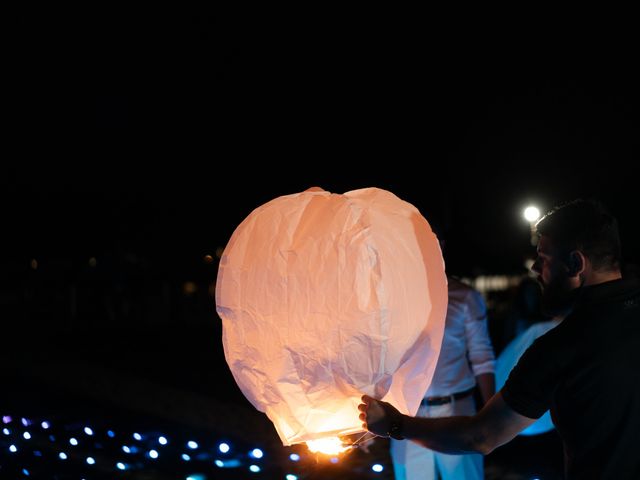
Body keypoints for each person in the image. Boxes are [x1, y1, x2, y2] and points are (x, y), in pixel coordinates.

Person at [359, 199, 640, 479]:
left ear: (575, 263)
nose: (534, 270)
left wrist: (396, 425)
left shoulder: (560, 347)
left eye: (543, 259)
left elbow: (481, 436)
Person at [390, 275, 495, 480]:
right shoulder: (397, 297)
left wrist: (492, 413)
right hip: (407, 413)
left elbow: (482, 356)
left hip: (457, 410)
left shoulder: (464, 296)